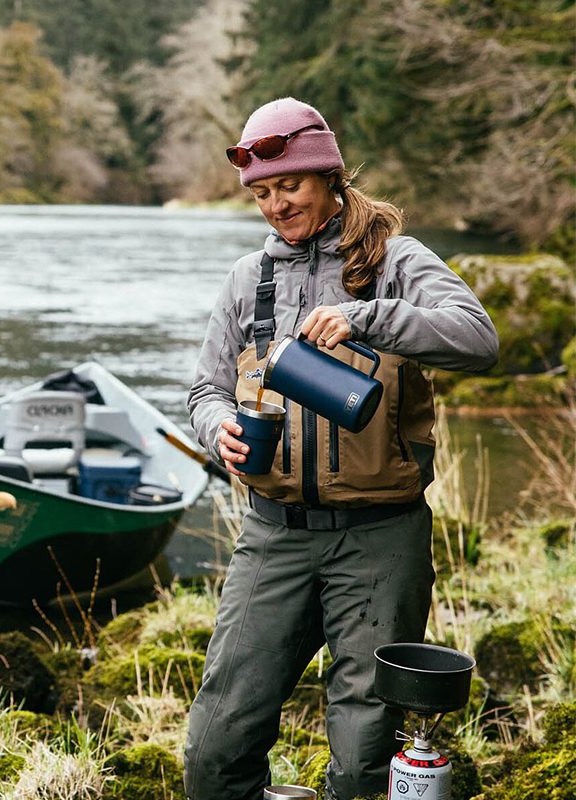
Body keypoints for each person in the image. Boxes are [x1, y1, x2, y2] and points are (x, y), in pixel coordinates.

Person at [182, 98, 498, 799]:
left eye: (289, 185)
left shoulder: (397, 261)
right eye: (262, 194)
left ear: (329, 177)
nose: (276, 205)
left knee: (362, 766)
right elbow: (205, 389)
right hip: (273, 537)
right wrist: (217, 426)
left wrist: (368, 319)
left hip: (381, 539)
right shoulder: (248, 279)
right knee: (214, 749)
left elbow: (479, 340)